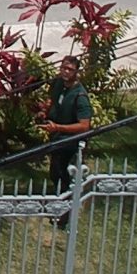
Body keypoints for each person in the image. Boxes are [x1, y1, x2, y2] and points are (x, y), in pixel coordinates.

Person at [41, 54, 93, 191]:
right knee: (54, 173)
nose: (66, 71)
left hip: (71, 143)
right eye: (64, 68)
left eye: (70, 69)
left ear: (76, 72)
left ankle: (66, 206)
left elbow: (84, 126)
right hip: (57, 139)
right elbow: (52, 99)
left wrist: (58, 127)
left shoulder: (80, 96)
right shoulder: (58, 83)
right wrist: (45, 111)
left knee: (64, 174)